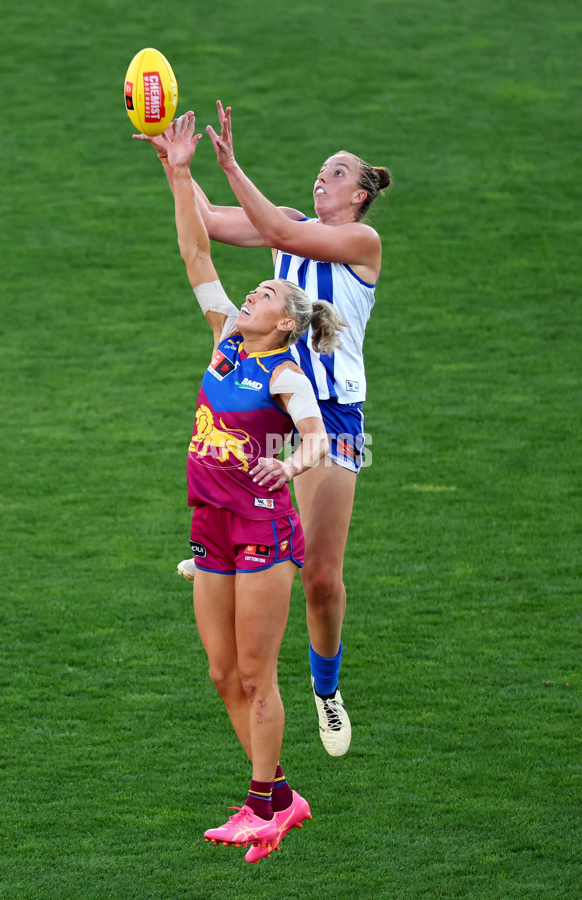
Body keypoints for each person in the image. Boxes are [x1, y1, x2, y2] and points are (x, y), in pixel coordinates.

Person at [135, 102, 391, 758]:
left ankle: (326, 687)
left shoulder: (362, 244)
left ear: (359, 195)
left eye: (337, 173)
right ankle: (225, 558)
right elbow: (207, 225)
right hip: (270, 398)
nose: (323, 177)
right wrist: (170, 160)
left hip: (334, 415)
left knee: (322, 578)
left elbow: (275, 228)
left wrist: (229, 164)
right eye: (322, 170)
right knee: (243, 475)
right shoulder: (291, 226)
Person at [154, 113, 345, 862]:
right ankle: (278, 796)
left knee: (258, 671)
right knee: (222, 671)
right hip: (211, 523)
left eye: (262, 294)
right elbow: (195, 251)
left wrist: (289, 466)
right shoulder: (226, 342)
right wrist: (179, 172)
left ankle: (267, 805)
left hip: (262, 529)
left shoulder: (284, 372)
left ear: (284, 324)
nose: (250, 296)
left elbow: (317, 438)